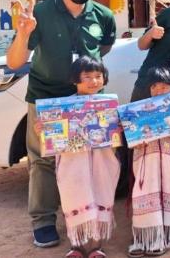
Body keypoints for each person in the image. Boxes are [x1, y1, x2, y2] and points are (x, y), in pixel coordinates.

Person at [6, 0, 116, 248]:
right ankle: (43, 221)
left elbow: (103, 48)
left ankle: (84, 217)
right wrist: (24, 33)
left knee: (85, 159)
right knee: (42, 160)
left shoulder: (103, 15)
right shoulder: (41, 13)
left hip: (85, 100)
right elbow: (15, 61)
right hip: (46, 98)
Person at [51, 57, 119, 258]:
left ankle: (96, 246)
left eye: (98, 76)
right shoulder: (62, 106)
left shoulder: (109, 105)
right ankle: (77, 247)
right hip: (73, 164)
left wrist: (119, 129)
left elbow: (114, 137)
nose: (93, 81)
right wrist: (43, 129)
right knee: (74, 198)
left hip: (102, 162)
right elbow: (54, 137)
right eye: (87, 76)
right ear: (75, 79)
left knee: (100, 195)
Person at [128, 66, 170, 257]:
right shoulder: (137, 110)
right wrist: (137, 140)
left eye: (164, 86)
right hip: (146, 160)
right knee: (146, 195)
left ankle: (166, 236)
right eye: (154, 86)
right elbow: (131, 140)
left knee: (169, 193)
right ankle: (144, 237)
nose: (159, 90)